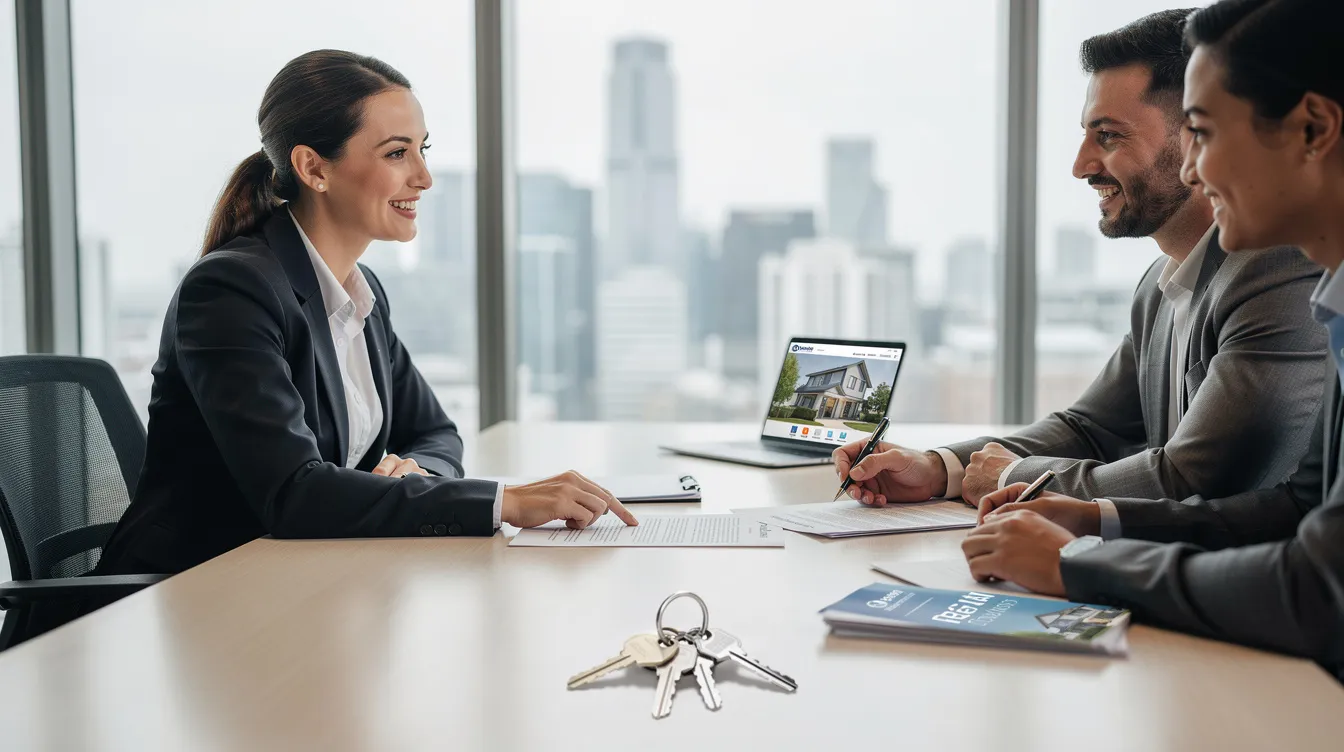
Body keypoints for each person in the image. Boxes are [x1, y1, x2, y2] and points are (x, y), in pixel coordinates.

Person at [97, 50, 636, 577]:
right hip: (195, 591)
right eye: (397, 153)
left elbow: (436, 433)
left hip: (310, 579)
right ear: (313, 168)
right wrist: (503, 502)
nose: (424, 177)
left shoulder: (360, 292)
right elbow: (294, 493)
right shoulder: (232, 290)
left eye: (422, 149)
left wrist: (416, 474)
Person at [967, 0, 1344, 681]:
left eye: (1202, 134)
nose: (1194, 172)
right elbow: (1294, 513)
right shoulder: (1334, 305)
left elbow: (1317, 586)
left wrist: (1079, 563)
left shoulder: (1284, 282)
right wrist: (1094, 521)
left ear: (1313, 128)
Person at [833, 9, 1326, 513]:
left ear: (1193, 135)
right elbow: (1090, 429)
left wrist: (1006, 476)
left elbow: (1189, 478)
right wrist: (940, 469)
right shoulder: (1160, 283)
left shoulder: (1278, 272)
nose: (1080, 166)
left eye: (1108, 135)